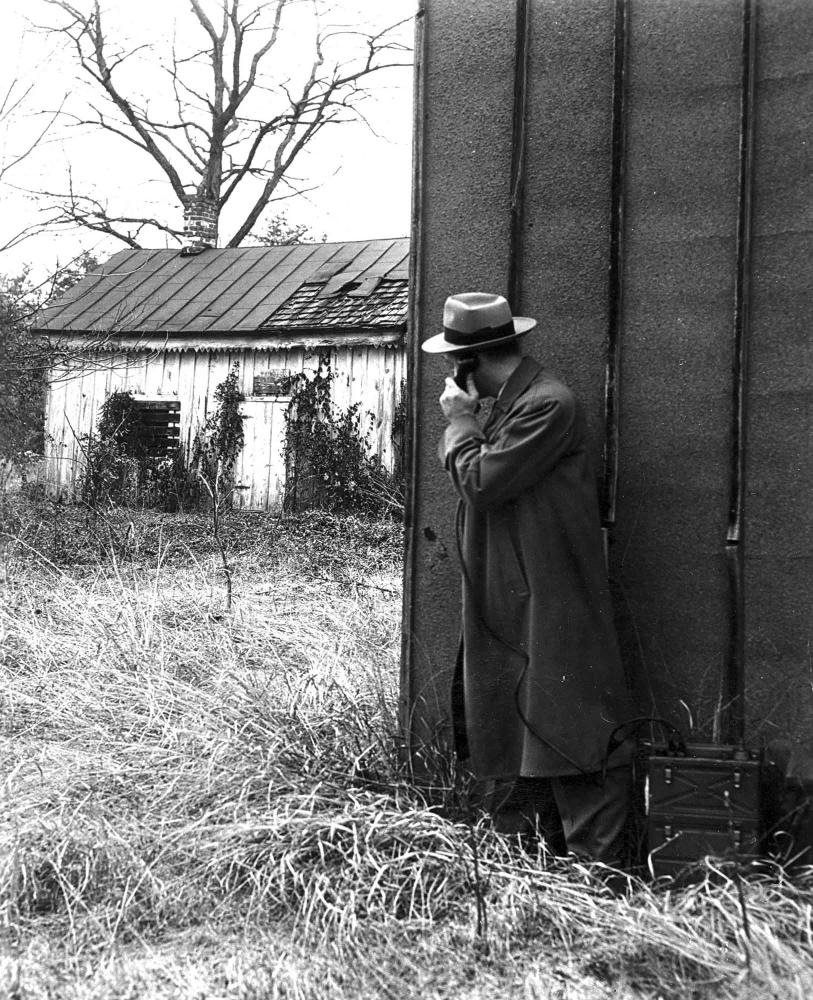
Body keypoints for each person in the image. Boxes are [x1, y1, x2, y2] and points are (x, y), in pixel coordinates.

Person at [422, 291, 633, 867]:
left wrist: (460, 424)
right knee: (529, 726)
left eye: (452, 361)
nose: (449, 374)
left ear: (471, 362)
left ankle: (600, 884)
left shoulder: (546, 404)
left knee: (573, 728)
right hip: (519, 597)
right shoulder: (517, 406)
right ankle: (550, 877)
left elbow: (483, 482)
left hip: (551, 597)